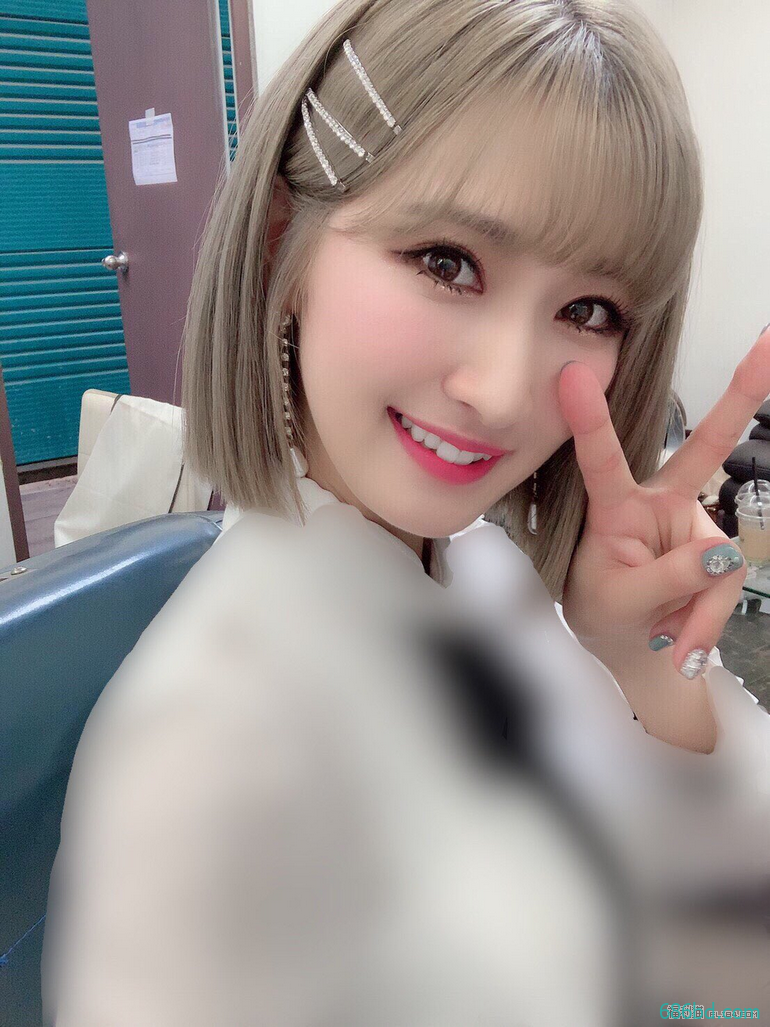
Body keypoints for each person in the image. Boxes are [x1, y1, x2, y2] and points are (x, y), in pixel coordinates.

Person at [42, 0, 770, 1023]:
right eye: (445, 261)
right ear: (282, 246)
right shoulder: (206, 743)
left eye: (585, 310)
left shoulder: (483, 570)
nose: (502, 389)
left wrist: (646, 661)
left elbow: (720, 944)